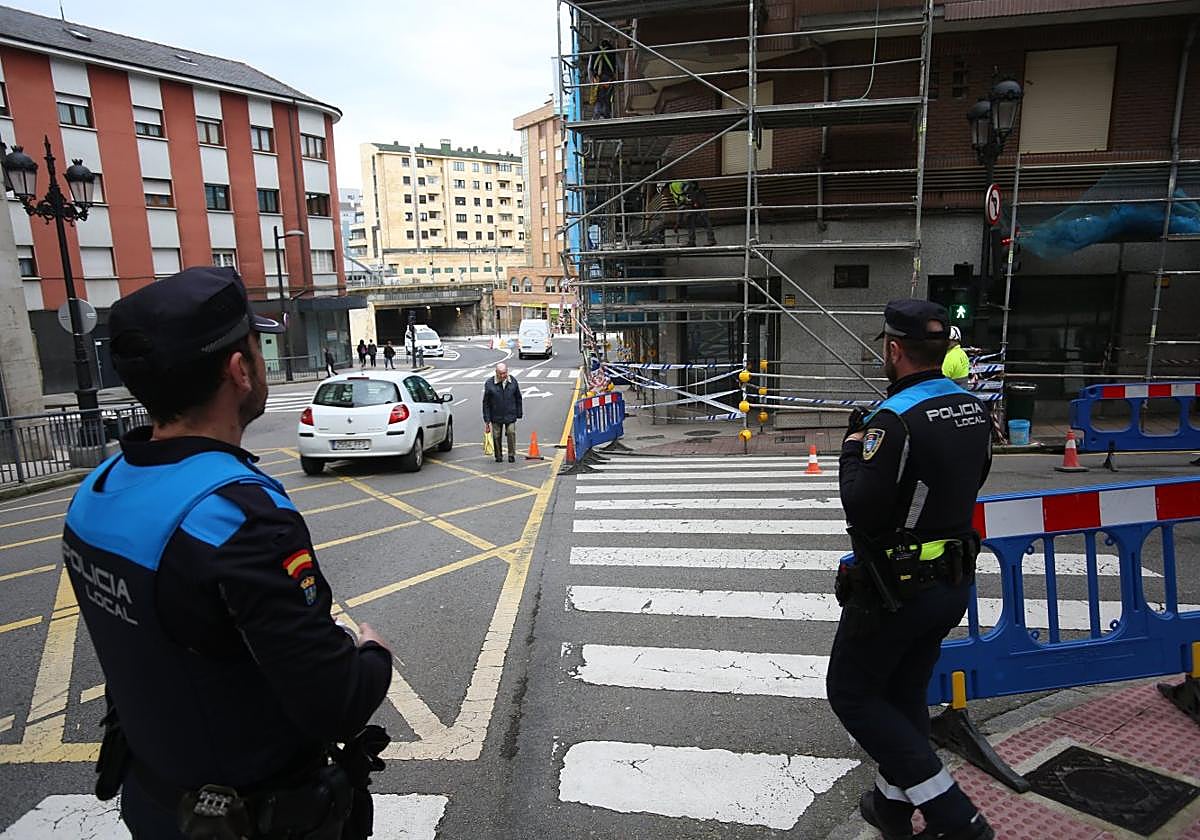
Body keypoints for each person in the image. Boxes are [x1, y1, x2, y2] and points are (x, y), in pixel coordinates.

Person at [62, 267, 393, 839]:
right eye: (257, 349)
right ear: (240, 371)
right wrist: (372, 655)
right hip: (249, 819)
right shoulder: (236, 516)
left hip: (155, 802)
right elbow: (333, 701)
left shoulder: (98, 490)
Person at [827, 299, 993, 840]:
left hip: (896, 590)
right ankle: (891, 808)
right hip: (951, 581)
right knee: (904, 695)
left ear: (894, 350)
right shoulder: (973, 407)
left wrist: (852, 448)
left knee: (852, 693)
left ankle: (956, 818)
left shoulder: (892, 421)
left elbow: (863, 505)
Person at [482, 362, 523, 463]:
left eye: (504, 373)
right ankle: (498, 455)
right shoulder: (489, 383)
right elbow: (486, 403)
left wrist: (519, 413)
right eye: (500, 373)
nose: (502, 376)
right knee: (496, 435)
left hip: (510, 413)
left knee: (511, 432)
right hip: (496, 415)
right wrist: (487, 420)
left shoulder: (513, 381)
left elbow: (518, 397)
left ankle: (511, 454)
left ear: (507, 372)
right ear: (496, 372)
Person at [670, 180, 718, 247]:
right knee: (690, 222)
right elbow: (681, 208)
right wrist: (678, 223)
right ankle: (691, 242)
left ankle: (711, 240)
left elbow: (700, 201)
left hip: (700, 206)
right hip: (693, 207)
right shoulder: (685, 196)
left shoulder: (698, 192)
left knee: (705, 221)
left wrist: (696, 202)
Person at [588, 39, 618, 119]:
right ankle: (605, 115)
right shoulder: (612, 51)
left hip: (597, 77)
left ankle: (598, 115)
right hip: (608, 77)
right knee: (607, 97)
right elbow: (619, 65)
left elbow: (590, 67)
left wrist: (591, 79)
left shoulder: (594, 51)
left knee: (598, 97)